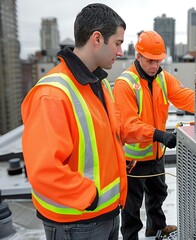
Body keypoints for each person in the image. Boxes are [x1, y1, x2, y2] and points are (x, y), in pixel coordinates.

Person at [21, 3, 141, 240]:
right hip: (76, 223)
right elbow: (44, 170)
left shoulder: (100, 84)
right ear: (97, 39)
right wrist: (90, 196)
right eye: (117, 43)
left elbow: (111, 133)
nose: (120, 52)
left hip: (106, 213)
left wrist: (153, 135)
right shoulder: (52, 94)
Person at [113, 30, 195, 240]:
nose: (154, 66)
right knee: (131, 207)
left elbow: (185, 98)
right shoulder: (125, 84)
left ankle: (156, 228)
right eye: (150, 61)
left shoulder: (163, 78)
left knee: (158, 194)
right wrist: (159, 135)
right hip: (133, 160)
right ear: (138, 56)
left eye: (158, 61)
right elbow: (128, 126)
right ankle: (131, 237)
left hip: (156, 154)